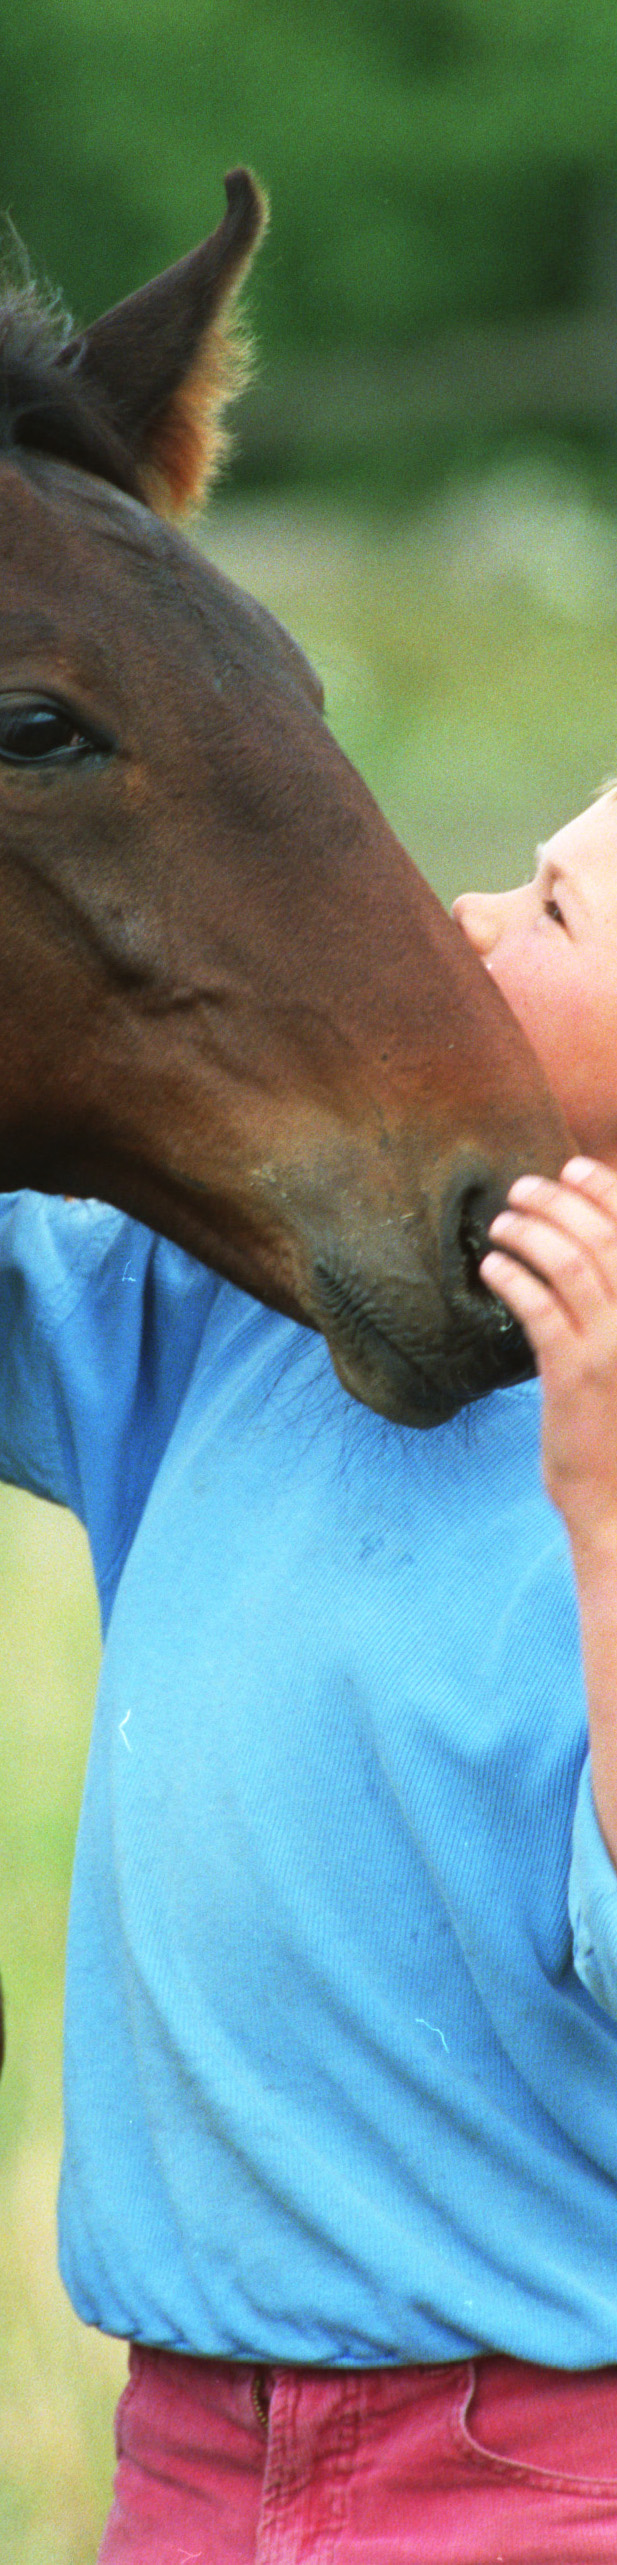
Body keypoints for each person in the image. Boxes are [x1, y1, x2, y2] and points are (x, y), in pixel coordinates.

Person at [4, 788, 617, 2564]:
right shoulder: (250, 1303)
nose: (470, 910)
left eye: (561, 913)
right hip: (185, 2439)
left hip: (535, 2467)